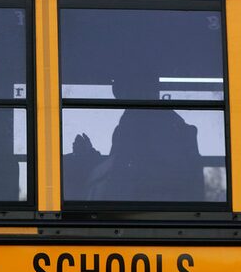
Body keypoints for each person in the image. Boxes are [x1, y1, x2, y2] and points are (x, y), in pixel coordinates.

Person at [84, 67, 204, 202]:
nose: (121, 101)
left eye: (124, 95)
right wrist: (91, 156)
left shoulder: (158, 122)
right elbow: (117, 163)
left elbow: (175, 173)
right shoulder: (136, 122)